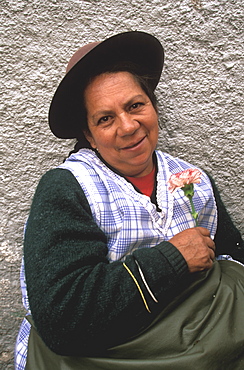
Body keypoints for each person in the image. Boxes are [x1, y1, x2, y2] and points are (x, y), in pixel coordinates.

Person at [15, 31, 244, 370]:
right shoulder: (68, 188)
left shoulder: (193, 179)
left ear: (153, 108)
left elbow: (233, 262)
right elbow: (62, 319)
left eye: (136, 105)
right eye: (105, 119)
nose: (128, 126)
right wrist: (174, 259)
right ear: (89, 136)